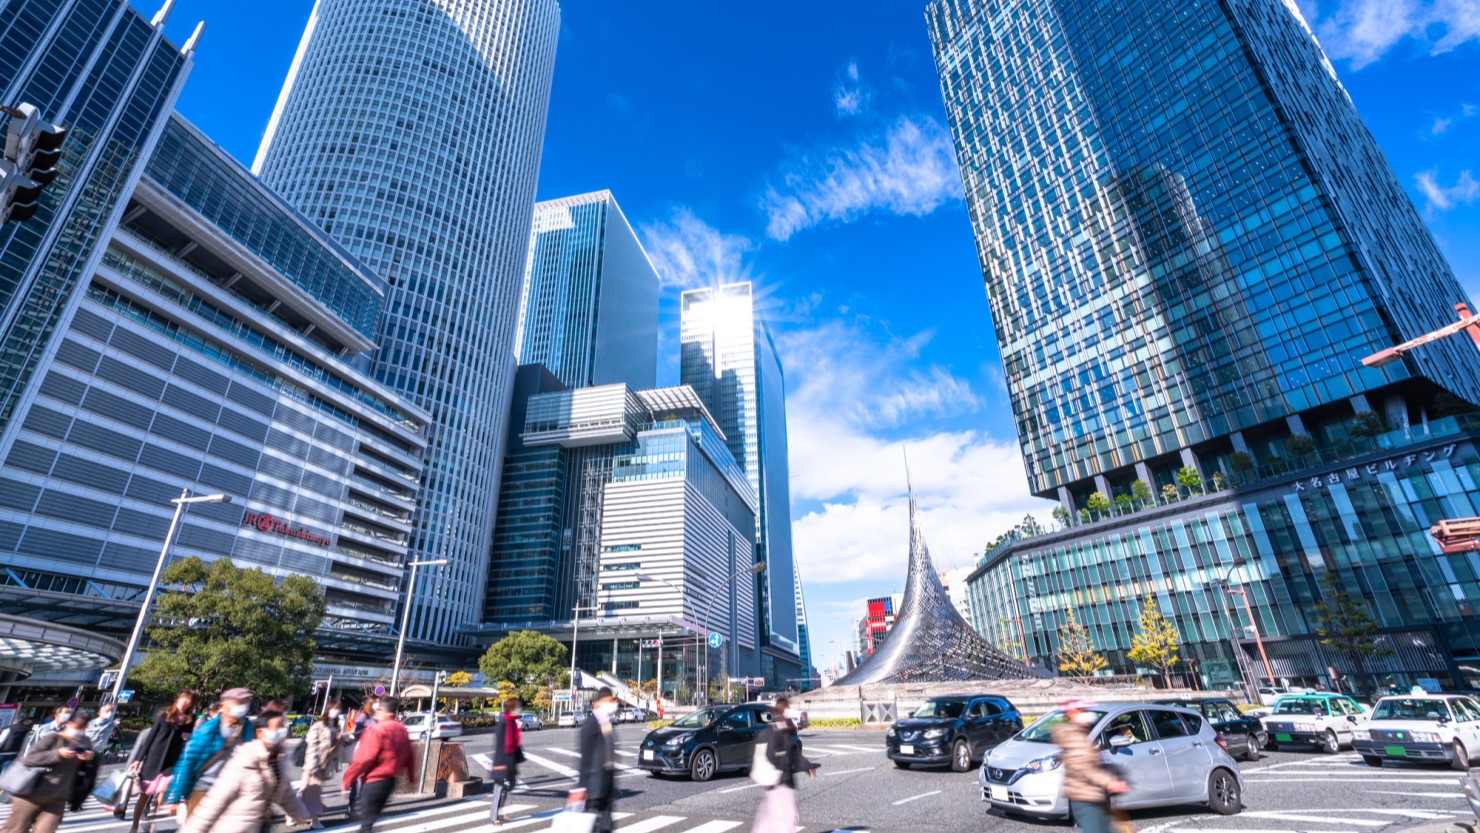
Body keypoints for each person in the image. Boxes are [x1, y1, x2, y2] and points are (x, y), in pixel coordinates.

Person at [179, 710, 312, 833]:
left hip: (259, 826)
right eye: (278, 727)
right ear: (260, 732)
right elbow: (217, 799)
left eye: (283, 726)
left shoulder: (277, 757)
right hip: (235, 828)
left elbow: (285, 791)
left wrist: (299, 811)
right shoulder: (245, 758)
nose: (282, 731)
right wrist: (192, 829)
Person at [163, 688, 255, 821]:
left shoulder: (247, 728)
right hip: (203, 790)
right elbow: (187, 762)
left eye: (246, 702)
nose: (243, 707)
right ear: (223, 706)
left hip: (231, 791)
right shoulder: (207, 730)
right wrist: (175, 797)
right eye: (239, 703)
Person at [1, 709, 97, 833]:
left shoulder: (85, 741)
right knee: (16, 829)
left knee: (46, 830)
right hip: (31, 794)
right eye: (78, 726)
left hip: (58, 797)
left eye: (84, 726)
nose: (80, 729)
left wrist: (90, 757)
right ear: (68, 723)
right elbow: (30, 758)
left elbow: (86, 769)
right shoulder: (53, 737)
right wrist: (58, 753)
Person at [1051, 699, 1128, 833]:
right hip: (1085, 798)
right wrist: (1110, 782)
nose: (1087, 714)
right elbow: (1084, 769)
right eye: (1082, 710)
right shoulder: (1075, 738)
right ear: (1072, 713)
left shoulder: (1078, 735)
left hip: (1090, 796)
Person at [127, 690, 198, 833]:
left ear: (191, 704)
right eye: (184, 698)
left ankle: (152, 821)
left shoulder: (190, 720)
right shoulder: (165, 716)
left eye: (189, 701)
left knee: (163, 792)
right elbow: (150, 738)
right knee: (144, 796)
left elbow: (191, 739)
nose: (185, 702)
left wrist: (188, 737)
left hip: (171, 762)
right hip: (153, 760)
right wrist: (138, 759)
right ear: (179, 699)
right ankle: (134, 826)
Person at [341, 696, 412, 833]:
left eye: (378, 708)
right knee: (369, 821)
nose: (376, 711)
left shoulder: (378, 729)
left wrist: (347, 780)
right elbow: (409, 754)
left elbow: (364, 759)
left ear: (384, 711)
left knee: (366, 825)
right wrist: (411, 776)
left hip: (374, 781)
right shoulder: (401, 728)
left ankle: (353, 810)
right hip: (390, 782)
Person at [751, 697, 815, 833]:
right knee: (787, 818)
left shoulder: (778, 729)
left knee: (770, 818)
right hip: (781, 782)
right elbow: (786, 754)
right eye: (788, 709)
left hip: (775, 783)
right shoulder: (778, 731)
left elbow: (792, 753)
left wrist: (806, 766)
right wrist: (788, 765)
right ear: (784, 710)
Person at [572, 688, 620, 833]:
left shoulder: (607, 722)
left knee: (606, 825)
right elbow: (585, 757)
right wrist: (581, 787)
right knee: (590, 826)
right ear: (600, 701)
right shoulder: (591, 724)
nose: (613, 703)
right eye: (610, 700)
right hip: (592, 787)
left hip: (606, 785)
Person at [298, 701, 343, 827]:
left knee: (306, 792)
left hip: (324, 764)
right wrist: (312, 766)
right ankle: (314, 820)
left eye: (338, 709)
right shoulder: (318, 726)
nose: (337, 711)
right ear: (328, 710)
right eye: (335, 708)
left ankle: (292, 814)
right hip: (313, 765)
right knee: (313, 793)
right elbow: (312, 746)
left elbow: (337, 747)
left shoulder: (336, 726)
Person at [489, 697, 525, 827]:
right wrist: (502, 762)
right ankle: (494, 816)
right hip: (502, 761)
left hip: (510, 761)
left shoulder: (513, 722)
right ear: (512, 708)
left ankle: (498, 810)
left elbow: (515, 743)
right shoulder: (504, 722)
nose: (519, 709)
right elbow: (500, 744)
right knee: (498, 788)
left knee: (511, 785)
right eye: (518, 707)